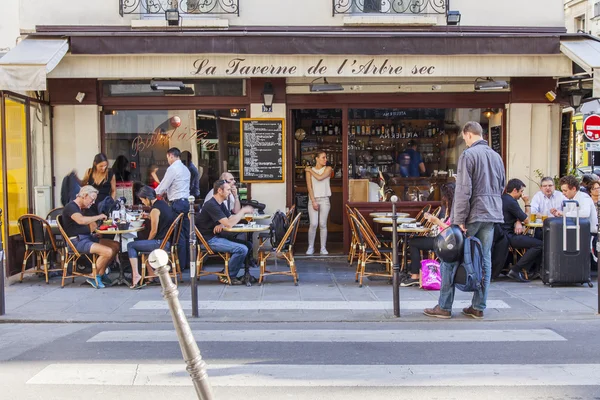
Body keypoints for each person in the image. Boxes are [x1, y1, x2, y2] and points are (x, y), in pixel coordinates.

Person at [424, 121, 505, 320]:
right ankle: (478, 306)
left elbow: (463, 190)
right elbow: (502, 185)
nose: (464, 141)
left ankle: (444, 306)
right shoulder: (496, 156)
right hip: (492, 213)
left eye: (464, 138)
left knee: (449, 257)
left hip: (473, 213)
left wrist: (459, 218)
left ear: (468, 134)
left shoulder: (468, 155)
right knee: (484, 259)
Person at [197, 179, 255, 285]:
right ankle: (228, 275)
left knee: (248, 244)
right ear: (220, 190)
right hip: (208, 240)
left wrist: (222, 224)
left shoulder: (219, 203)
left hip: (216, 236)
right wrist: (242, 211)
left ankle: (244, 274)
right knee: (241, 249)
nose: (230, 191)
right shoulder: (211, 204)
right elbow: (229, 223)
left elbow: (229, 218)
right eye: (228, 190)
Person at [61, 186, 120, 288]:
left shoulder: (83, 209)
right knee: (108, 251)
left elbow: (91, 227)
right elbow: (81, 221)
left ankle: (100, 274)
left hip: (87, 238)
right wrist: (99, 216)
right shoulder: (71, 207)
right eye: (92, 199)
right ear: (84, 195)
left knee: (115, 246)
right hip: (77, 241)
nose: (93, 202)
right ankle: (93, 276)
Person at [404, 182, 455, 287]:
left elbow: (453, 230)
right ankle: (414, 273)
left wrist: (436, 221)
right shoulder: (448, 208)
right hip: (441, 238)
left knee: (413, 243)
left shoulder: (454, 210)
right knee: (414, 240)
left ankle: (415, 275)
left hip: (446, 241)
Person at [126, 186, 175, 289]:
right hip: (167, 241)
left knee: (130, 245)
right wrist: (149, 216)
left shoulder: (155, 209)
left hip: (160, 242)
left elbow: (154, 231)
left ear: (147, 198)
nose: (143, 202)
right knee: (140, 243)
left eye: (142, 200)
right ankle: (151, 275)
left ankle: (136, 275)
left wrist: (148, 242)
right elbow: (162, 218)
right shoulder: (163, 204)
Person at [155, 147, 191, 271]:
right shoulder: (185, 169)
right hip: (186, 203)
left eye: (168, 158)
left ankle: (180, 264)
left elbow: (162, 187)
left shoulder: (173, 168)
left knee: (178, 235)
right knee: (186, 233)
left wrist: (152, 194)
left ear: (170, 155)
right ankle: (187, 263)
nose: (168, 160)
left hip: (177, 204)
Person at [500, 179, 542, 282]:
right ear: (515, 190)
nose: (521, 194)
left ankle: (529, 270)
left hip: (502, 234)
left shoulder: (504, 198)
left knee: (535, 241)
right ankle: (516, 269)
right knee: (540, 244)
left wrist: (517, 221)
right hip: (509, 236)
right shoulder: (511, 202)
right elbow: (527, 219)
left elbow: (518, 216)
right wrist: (527, 203)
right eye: (521, 191)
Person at [305, 150, 332, 255]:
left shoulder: (328, 169)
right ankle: (310, 247)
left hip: (325, 199)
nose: (325, 159)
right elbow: (309, 187)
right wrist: (313, 201)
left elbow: (320, 178)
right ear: (317, 158)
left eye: (326, 157)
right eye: (323, 157)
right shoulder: (309, 171)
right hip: (313, 199)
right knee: (313, 224)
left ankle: (323, 248)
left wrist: (310, 170)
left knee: (323, 224)